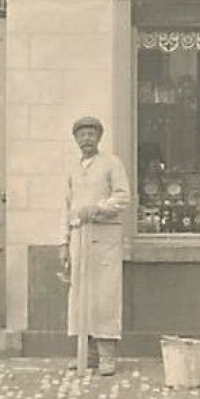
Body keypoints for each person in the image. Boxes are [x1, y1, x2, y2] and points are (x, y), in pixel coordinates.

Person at [58, 116, 130, 376]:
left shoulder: (112, 164)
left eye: (91, 134)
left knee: (104, 294)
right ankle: (84, 352)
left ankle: (107, 355)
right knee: (79, 295)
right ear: (75, 139)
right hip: (79, 237)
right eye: (82, 135)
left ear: (99, 137)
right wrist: (63, 242)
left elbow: (123, 197)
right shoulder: (73, 168)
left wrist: (97, 208)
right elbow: (66, 207)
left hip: (104, 237)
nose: (86, 139)